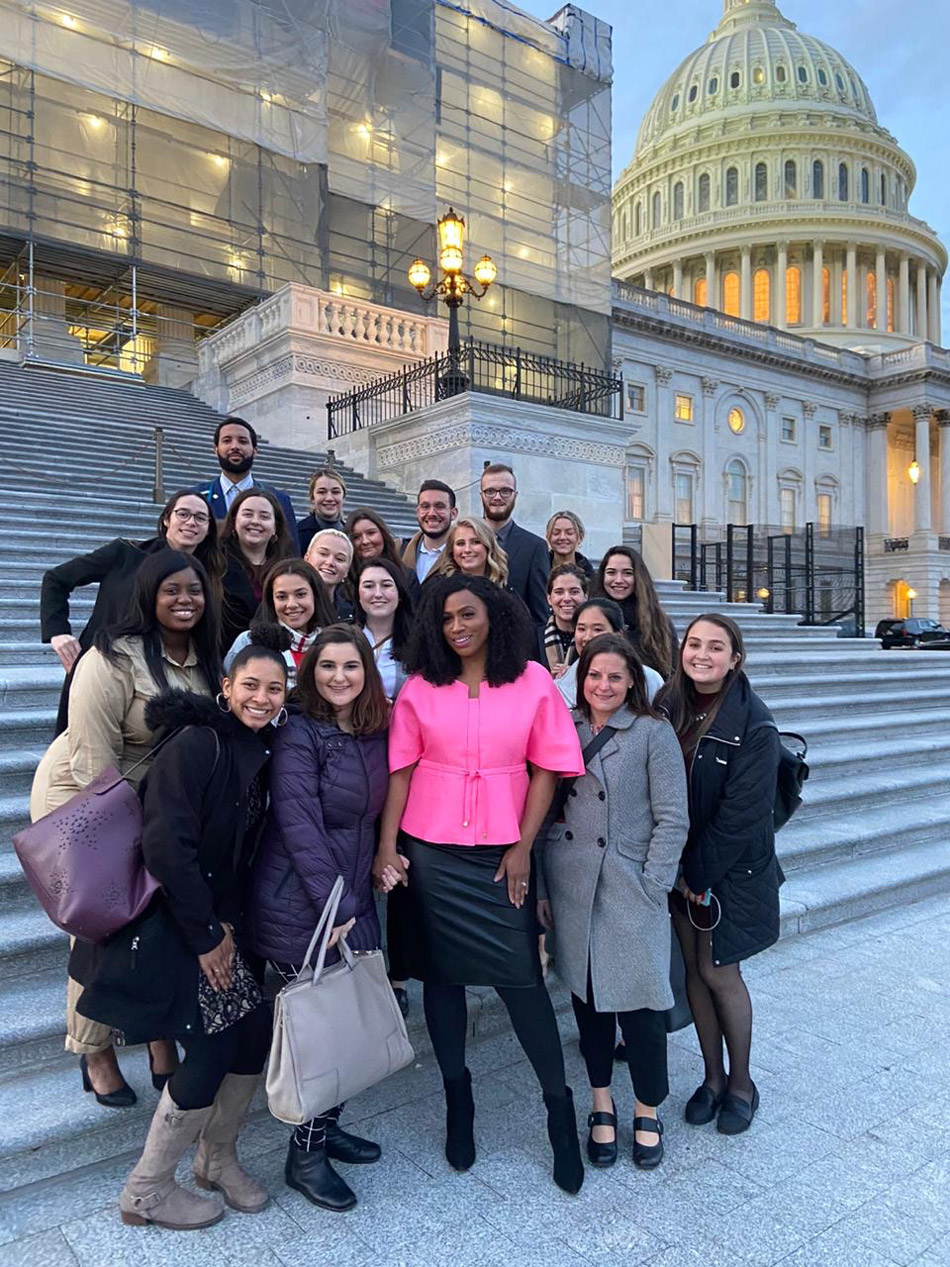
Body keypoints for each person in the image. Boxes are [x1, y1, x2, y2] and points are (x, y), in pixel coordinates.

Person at [374, 575, 586, 1195]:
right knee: (442, 980)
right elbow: (401, 772)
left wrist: (522, 845)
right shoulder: (420, 686)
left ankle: (559, 1112)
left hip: (500, 852)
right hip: (430, 850)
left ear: (493, 617)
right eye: (445, 619)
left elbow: (548, 767)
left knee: (522, 981)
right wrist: (387, 846)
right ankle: (457, 1099)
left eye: (468, 614)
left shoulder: (532, 680)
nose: (457, 626)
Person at [77, 631, 288, 1229]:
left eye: (274, 688)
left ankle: (215, 1160)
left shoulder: (258, 747)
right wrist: (206, 936)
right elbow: (167, 847)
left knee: (251, 1039)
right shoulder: (198, 745)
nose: (262, 697)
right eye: (250, 685)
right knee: (216, 1047)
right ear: (225, 688)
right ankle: (145, 1190)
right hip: (183, 925)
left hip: (227, 924)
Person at [30, 550, 221, 1110]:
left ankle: (158, 1039)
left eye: (194, 590)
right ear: (148, 596)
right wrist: (137, 832)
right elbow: (93, 760)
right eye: (171, 590)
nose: (184, 600)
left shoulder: (206, 658)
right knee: (100, 925)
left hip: (153, 802)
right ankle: (94, 1051)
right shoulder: (112, 656)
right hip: (84, 799)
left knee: (156, 916)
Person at [538, 633, 688, 1170]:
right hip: (572, 879)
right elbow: (544, 803)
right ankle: (601, 1101)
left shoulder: (652, 732)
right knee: (590, 1002)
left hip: (630, 883)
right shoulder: (566, 727)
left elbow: (673, 816)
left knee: (643, 1006)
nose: (603, 685)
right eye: (594, 675)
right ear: (582, 680)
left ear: (632, 683)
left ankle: (647, 1107)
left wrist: (654, 883)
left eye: (615, 677)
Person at [252, 626, 390, 1212]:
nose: (339, 676)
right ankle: (303, 1158)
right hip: (301, 901)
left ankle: (326, 1128)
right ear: (311, 672)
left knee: (345, 1025)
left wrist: (385, 861)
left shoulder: (370, 730)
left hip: (348, 896)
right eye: (327, 666)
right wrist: (336, 902)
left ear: (366, 672)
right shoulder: (298, 733)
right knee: (316, 1035)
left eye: (350, 666)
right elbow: (300, 825)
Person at [658, 614, 782, 1136]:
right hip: (680, 864)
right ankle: (711, 1078)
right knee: (691, 970)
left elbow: (742, 816)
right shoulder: (667, 705)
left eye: (715, 647)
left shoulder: (754, 723)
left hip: (728, 871)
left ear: (735, 658)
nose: (701, 654)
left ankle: (741, 1084)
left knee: (719, 972)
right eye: (693, 644)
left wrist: (697, 874)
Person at [40, 490, 224, 734]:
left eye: (201, 518)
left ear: (209, 528)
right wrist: (58, 632)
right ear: (167, 519)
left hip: (162, 677)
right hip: (106, 666)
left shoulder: (211, 574)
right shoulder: (126, 553)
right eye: (183, 514)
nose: (191, 522)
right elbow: (56, 579)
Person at [225, 560, 335, 686]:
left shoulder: (334, 644)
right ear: (272, 601)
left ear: (315, 595)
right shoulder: (249, 641)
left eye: (300, 594)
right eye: (282, 597)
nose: (292, 604)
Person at [190, 416, 298, 540]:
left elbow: (290, 552)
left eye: (242, 441)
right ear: (215, 450)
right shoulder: (197, 497)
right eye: (227, 440)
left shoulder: (280, 500)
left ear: (255, 451)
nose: (235, 446)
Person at [220, 490, 298, 654]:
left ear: (275, 527)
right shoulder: (216, 565)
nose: (255, 521)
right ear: (234, 521)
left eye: (264, 516)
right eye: (247, 514)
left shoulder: (288, 568)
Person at [555, 599, 664, 710]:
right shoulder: (558, 686)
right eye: (581, 629)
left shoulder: (651, 680)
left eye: (597, 629)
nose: (587, 637)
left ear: (619, 635)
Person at [590, 546, 678, 678]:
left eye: (627, 573)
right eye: (611, 572)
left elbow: (672, 672)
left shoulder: (659, 623)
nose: (618, 580)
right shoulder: (590, 617)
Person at [479, 463, 549, 625]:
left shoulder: (534, 547)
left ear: (515, 495)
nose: (497, 497)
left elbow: (539, 614)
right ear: (481, 495)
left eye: (505, 491)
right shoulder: (464, 543)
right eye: (490, 491)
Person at [355, 558, 414, 702]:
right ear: (358, 596)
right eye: (368, 586)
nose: (378, 594)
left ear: (400, 594)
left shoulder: (418, 642)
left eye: (386, 585)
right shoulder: (344, 638)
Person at [344, 507, 420, 600]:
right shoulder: (343, 579)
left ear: (383, 534)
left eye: (371, 533)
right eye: (356, 537)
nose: (365, 541)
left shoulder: (407, 576)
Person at [402, 480, 458, 582]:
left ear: (453, 513)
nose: (431, 513)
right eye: (425, 506)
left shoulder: (464, 555)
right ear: (417, 512)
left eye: (439, 506)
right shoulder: (399, 551)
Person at [429, 516, 508, 587]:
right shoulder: (437, 591)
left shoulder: (506, 594)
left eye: (475, 542)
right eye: (460, 543)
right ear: (451, 550)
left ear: (488, 546)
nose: (467, 550)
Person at [541, 564, 588, 677]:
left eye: (574, 592)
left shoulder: (592, 637)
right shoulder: (532, 638)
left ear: (586, 596)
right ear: (549, 598)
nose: (566, 598)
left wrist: (574, 674)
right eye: (559, 592)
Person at [305, 528, 355, 621]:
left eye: (340, 559)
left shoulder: (351, 616)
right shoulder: (287, 602)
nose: (330, 562)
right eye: (323, 554)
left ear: (347, 571)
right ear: (307, 558)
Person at [298, 468, 347, 553]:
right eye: (322, 492)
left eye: (335, 492)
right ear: (312, 497)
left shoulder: (352, 534)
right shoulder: (298, 534)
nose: (329, 498)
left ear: (343, 497)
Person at [545, 511, 594, 580]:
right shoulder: (538, 570)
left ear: (580, 537)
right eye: (556, 533)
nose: (562, 537)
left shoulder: (590, 576)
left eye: (569, 533)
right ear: (548, 537)